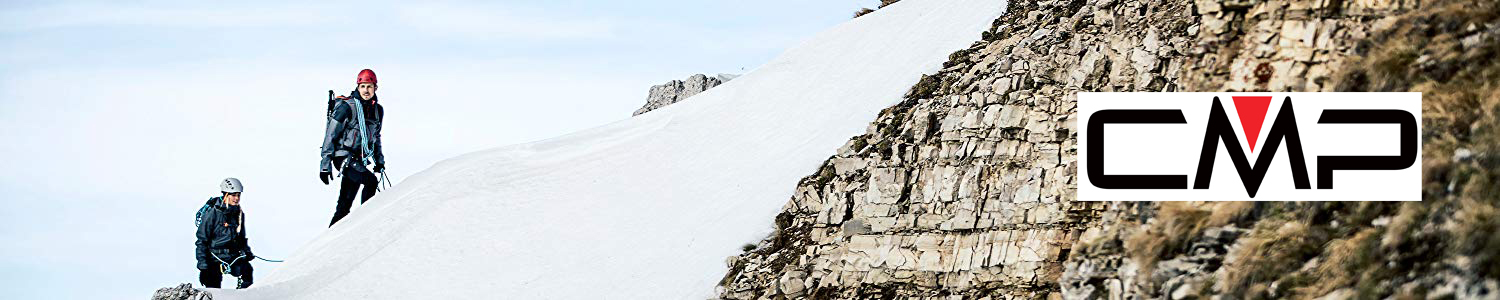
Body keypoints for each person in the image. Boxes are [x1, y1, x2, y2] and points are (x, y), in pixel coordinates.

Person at [320, 69, 386, 226]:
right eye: (363, 86)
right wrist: (325, 165)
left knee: (344, 207)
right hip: (343, 157)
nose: (366, 90)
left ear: (375, 88)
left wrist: (379, 161)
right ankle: (366, 223)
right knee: (371, 182)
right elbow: (331, 135)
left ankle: (330, 240)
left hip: (359, 160)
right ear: (358, 87)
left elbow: (376, 137)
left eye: (369, 86)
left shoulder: (377, 111)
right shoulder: (347, 107)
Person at [196, 178, 255, 289]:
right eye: (233, 195)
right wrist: (203, 265)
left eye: (238, 195)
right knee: (213, 287)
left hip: (232, 256)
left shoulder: (239, 214)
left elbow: (241, 237)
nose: (237, 198)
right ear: (226, 194)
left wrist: (247, 252)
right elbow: (202, 240)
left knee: (247, 270)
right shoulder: (212, 213)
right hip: (213, 258)